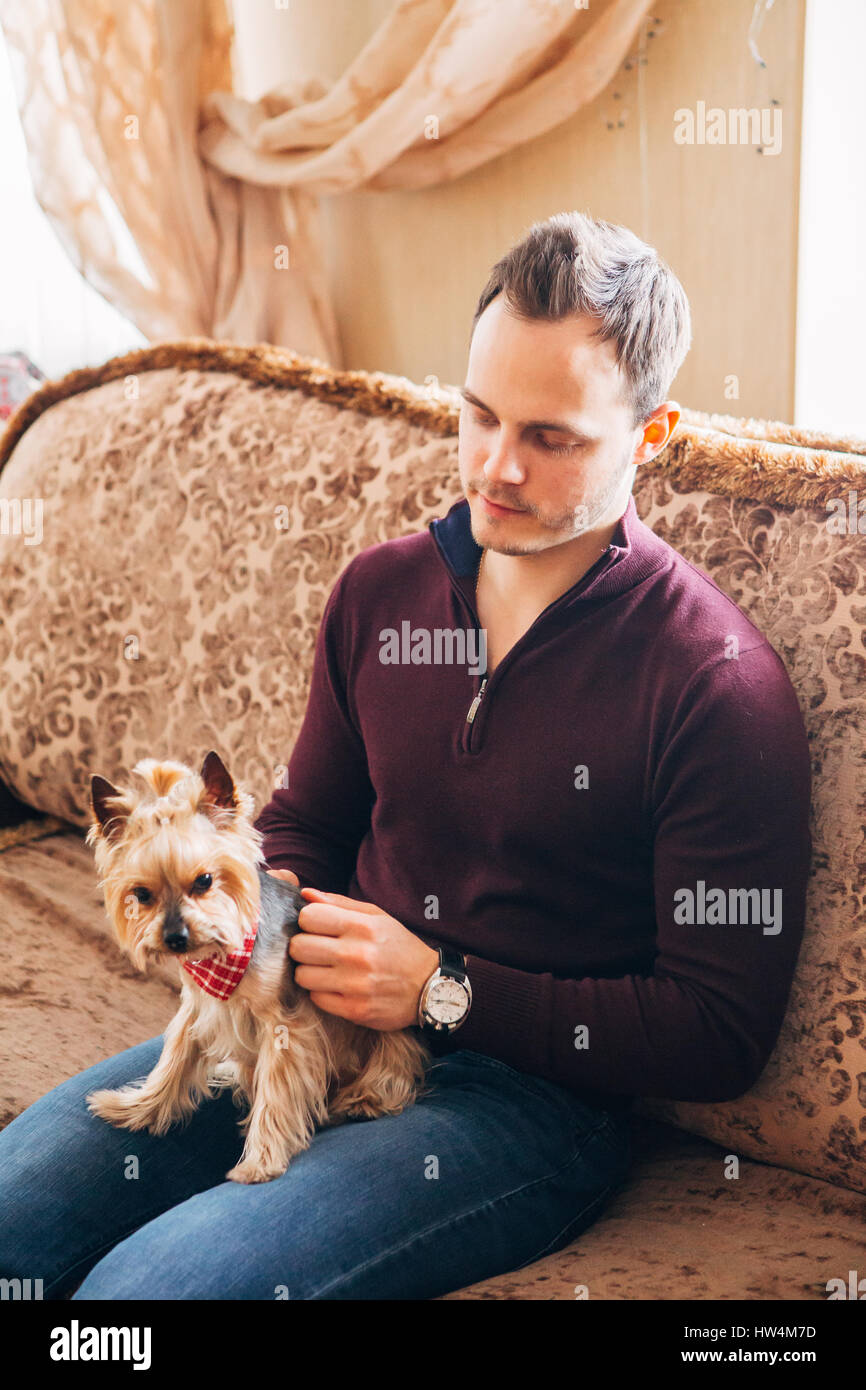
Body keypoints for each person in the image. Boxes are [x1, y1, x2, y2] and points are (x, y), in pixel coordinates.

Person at [0, 211, 811, 1300]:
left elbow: (716, 1032)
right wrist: (252, 942)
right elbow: (305, 828)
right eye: (476, 415)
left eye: (551, 436)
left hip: (519, 1097)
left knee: (146, 1302)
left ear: (650, 436)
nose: (496, 467)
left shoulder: (714, 686)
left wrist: (438, 993)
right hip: (303, 1011)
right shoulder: (379, 593)